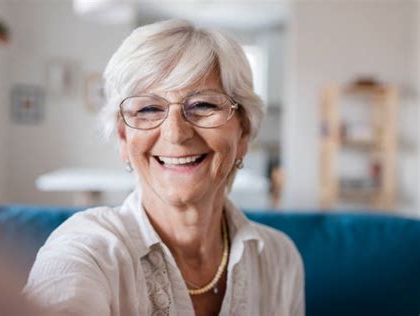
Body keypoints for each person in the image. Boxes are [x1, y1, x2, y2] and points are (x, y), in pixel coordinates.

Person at [23, 19, 304, 316]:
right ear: (123, 137)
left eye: (204, 105)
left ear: (243, 133)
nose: (175, 133)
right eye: (147, 109)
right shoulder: (89, 250)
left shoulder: (278, 258)